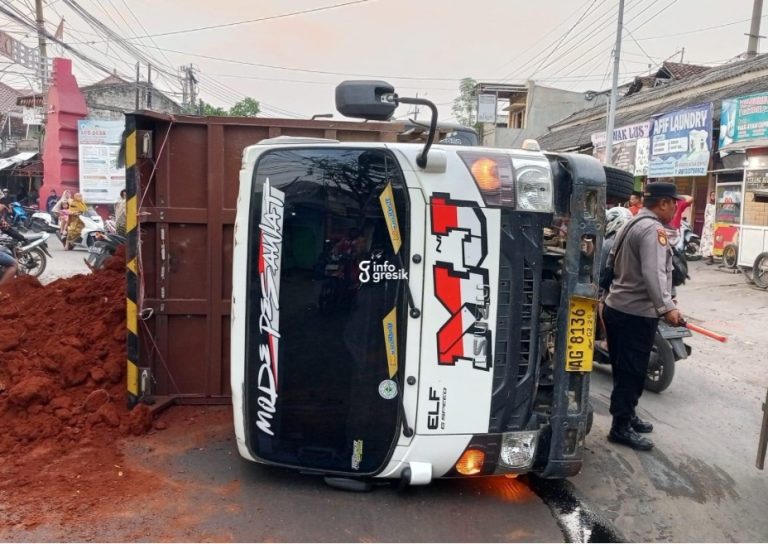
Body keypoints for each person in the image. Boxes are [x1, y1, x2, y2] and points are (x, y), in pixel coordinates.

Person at [603, 182, 685, 451]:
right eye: (674, 203)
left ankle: (628, 414)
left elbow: (611, 261)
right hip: (635, 313)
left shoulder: (632, 222)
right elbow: (654, 274)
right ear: (663, 203)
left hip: (618, 307)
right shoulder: (653, 230)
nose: (676, 208)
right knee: (632, 372)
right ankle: (620, 428)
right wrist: (667, 308)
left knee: (626, 369)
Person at [700, 191, 717, 265]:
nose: (713, 196)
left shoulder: (718, 205)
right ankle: (710, 258)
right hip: (708, 226)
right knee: (708, 241)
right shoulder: (708, 205)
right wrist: (708, 223)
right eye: (712, 195)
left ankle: (713, 256)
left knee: (714, 241)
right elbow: (705, 215)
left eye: (714, 195)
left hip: (716, 225)